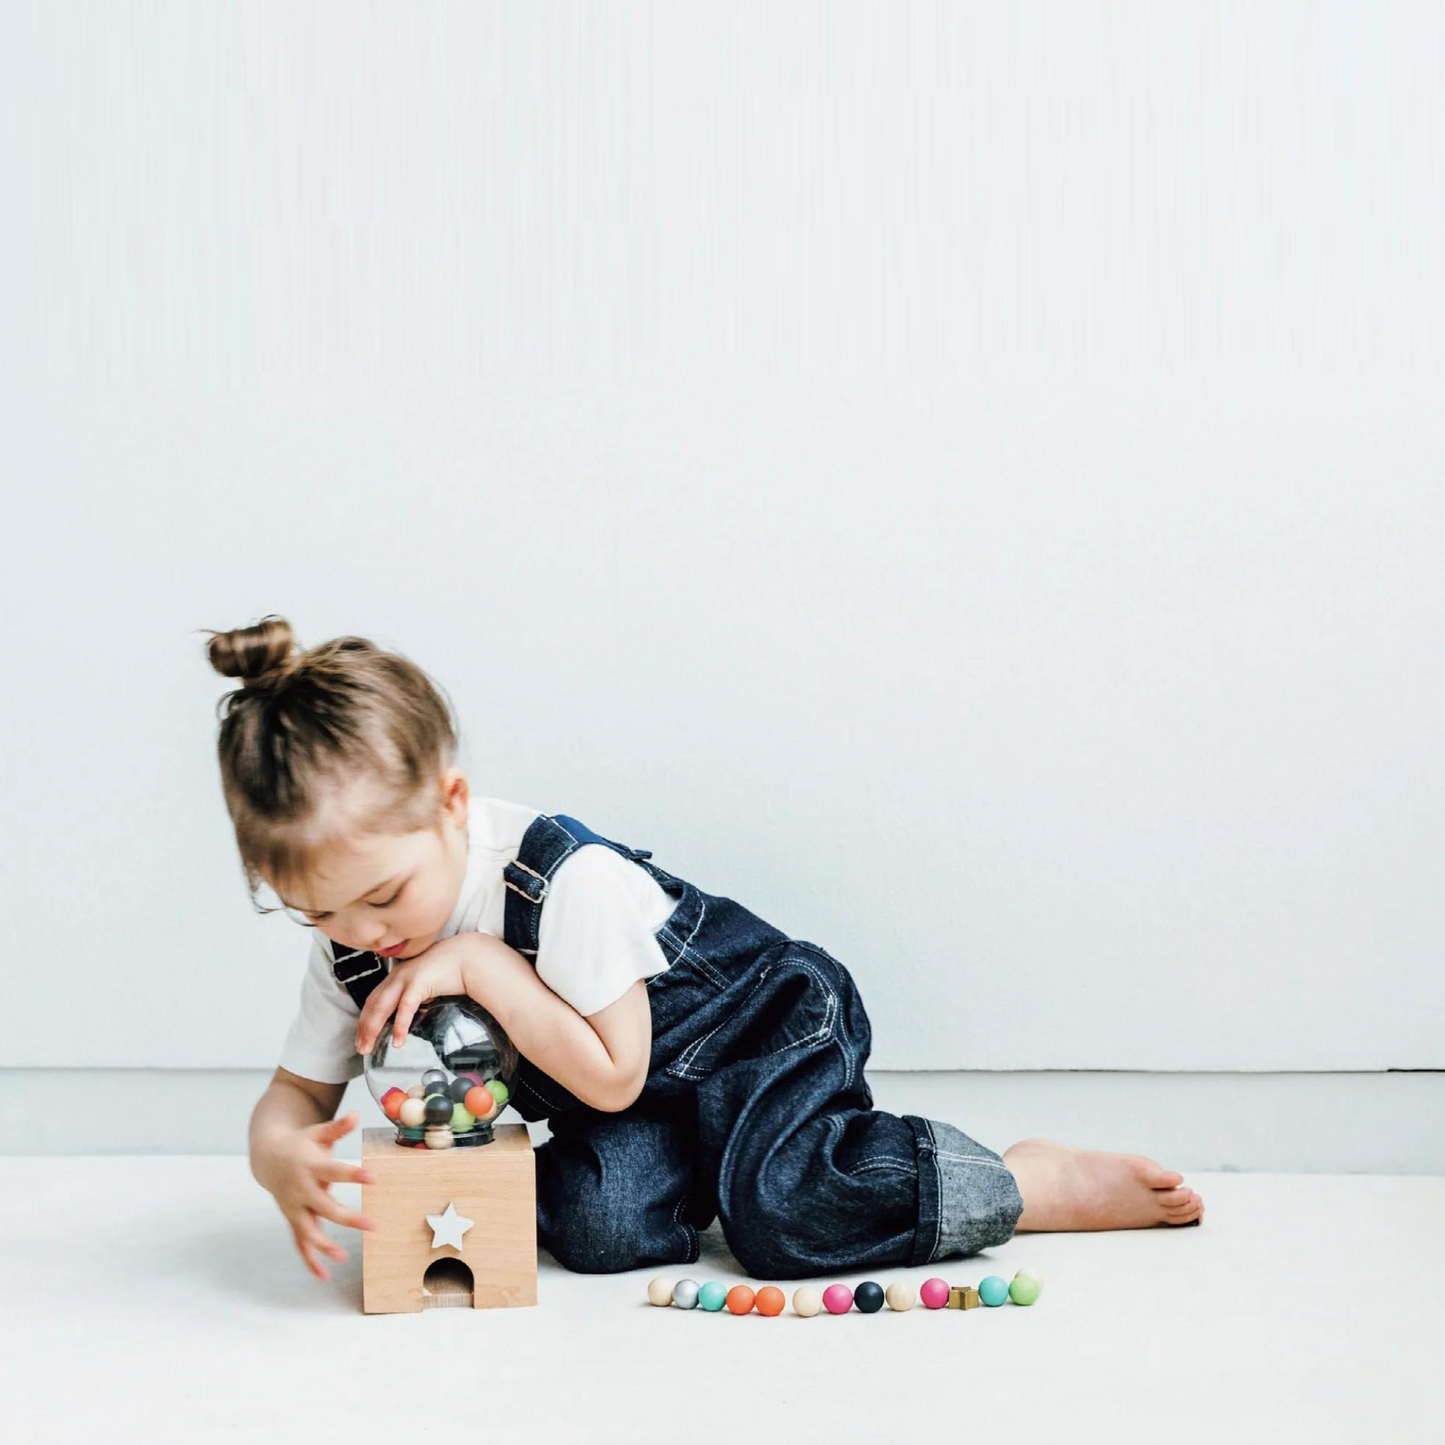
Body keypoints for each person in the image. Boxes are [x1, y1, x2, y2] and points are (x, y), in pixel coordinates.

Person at [204, 615, 1204, 1284]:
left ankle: (1013, 1181)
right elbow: (292, 1095)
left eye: (382, 896)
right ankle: (713, 1164)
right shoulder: (355, 943)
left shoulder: (561, 882)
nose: (367, 937)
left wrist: (483, 968)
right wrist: (277, 1150)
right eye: (320, 915)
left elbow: (607, 1071)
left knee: (780, 1214)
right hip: (648, 1096)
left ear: (452, 805)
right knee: (598, 1227)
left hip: (758, 1025)